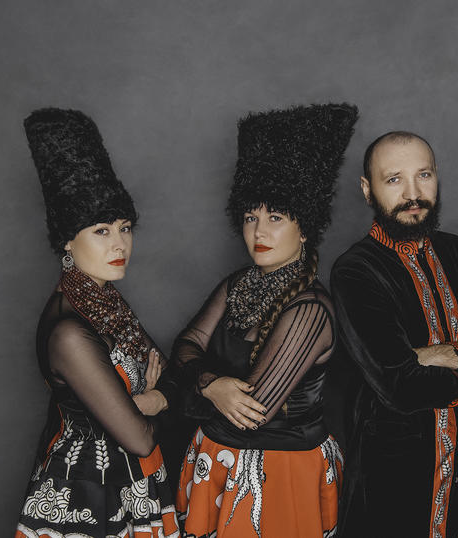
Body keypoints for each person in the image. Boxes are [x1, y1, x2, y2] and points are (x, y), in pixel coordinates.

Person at [169, 103, 358, 537]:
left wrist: (189, 384)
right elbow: (185, 342)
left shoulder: (310, 310)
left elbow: (252, 411)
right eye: (251, 217)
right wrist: (213, 387)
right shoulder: (238, 283)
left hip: (279, 475)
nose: (259, 232)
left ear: (304, 227)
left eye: (275, 218)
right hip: (217, 461)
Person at [330, 131, 458, 538]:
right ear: (367, 189)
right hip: (393, 482)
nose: (414, 193)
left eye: (423, 175)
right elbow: (399, 385)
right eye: (394, 180)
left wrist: (431, 353)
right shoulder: (356, 270)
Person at [15, 109, 179, 538]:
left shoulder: (104, 302)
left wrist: (153, 398)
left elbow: (168, 370)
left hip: (133, 484)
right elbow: (140, 437)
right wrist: (156, 400)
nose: (120, 243)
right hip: (86, 496)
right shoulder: (70, 331)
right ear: (68, 239)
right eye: (101, 231)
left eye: (125, 228)